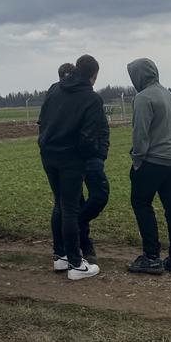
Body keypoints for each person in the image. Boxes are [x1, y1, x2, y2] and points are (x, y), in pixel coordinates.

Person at [38, 55, 108, 280]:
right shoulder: (91, 99)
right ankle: (76, 265)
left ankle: (61, 257)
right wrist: (89, 156)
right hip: (71, 158)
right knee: (70, 208)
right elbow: (89, 137)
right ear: (94, 75)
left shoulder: (55, 89)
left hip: (48, 154)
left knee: (59, 204)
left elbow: (43, 121)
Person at [126, 58, 171, 274]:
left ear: (138, 76)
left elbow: (140, 133)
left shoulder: (143, 98)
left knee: (141, 203)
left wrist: (137, 159)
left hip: (153, 160)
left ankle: (151, 256)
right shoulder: (170, 94)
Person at [51, 63, 110, 264]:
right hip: (72, 158)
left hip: (89, 156)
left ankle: (70, 240)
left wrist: (100, 153)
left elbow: (101, 127)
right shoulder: (60, 94)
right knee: (69, 204)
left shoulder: (89, 98)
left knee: (96, 198)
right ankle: (77, 249)